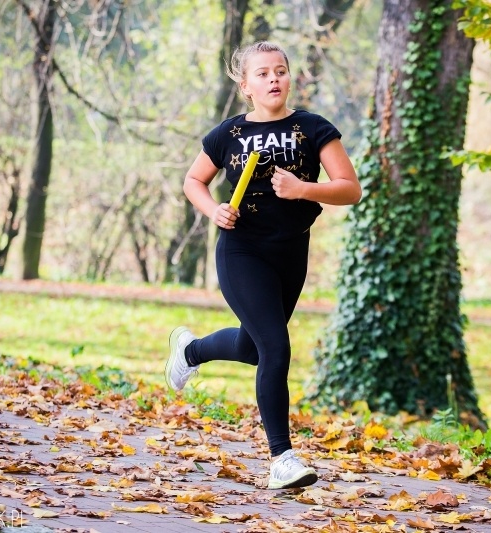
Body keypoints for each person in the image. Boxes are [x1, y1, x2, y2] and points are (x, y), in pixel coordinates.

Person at [164, 41, 361, 490]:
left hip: (291, 252)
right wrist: (213, 210)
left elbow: (350, 188)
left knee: (255, 349)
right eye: (263, 74)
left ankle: (191, 350)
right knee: (275, 346)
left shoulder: (313, 128)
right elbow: (194, 180)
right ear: (245, 85)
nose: (274, 79)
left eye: (281, 71)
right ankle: (282, 459)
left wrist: (303, 190)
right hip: (242, 251)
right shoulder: (228, 134)